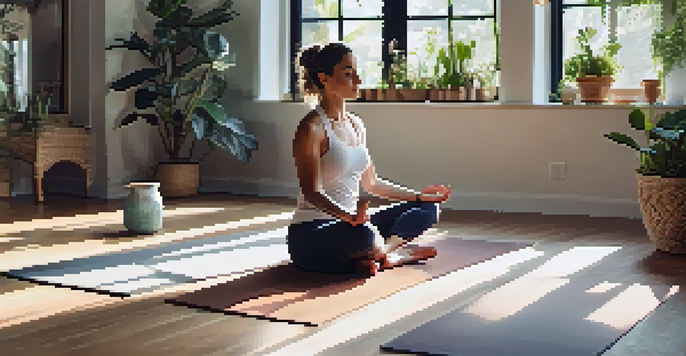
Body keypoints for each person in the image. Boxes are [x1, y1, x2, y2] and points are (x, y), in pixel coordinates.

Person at [288, 42, 452, 276]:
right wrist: (350, 217)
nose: (358, 81)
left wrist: (418, 196)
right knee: (364, 235)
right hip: (313, 232)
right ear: (324, 78)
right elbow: (312, 192)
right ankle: (383, 253)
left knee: (428, 209)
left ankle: (382, 254)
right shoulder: (312, 128)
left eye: (357, 72)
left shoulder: (356, 125)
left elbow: (372, 184)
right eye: (348, 74)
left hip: (352, 223)